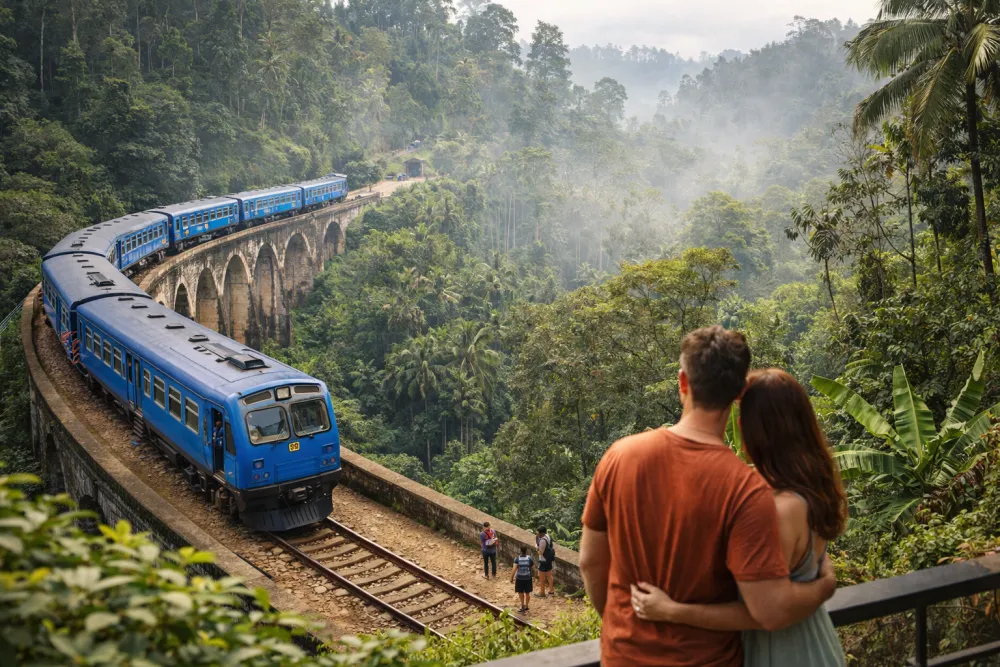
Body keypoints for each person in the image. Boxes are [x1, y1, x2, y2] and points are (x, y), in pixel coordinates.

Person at [579, 325, 837, 667]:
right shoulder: (746, 491)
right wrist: (824, 586)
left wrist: (620, 623)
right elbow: (768, 609)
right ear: (738, 392)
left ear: (683, 382)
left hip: (622, 655)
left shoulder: (620, 455)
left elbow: (590, 562)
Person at [630, 368, 848, 666]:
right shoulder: (811, 486)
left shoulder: (776, 509)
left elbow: (766, 613)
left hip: (777, 652)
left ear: (750, 429)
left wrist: (672, 610)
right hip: (816, 641)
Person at [511, 545, 535, 613]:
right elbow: (534, 568)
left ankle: (522, 605)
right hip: (528, 578)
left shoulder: (517, 559)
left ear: (520, 550)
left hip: (520, 578)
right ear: (526, 551)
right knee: (527, 593)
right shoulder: (529, 558)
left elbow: (514, 569)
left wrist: (511, 578)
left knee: (520, 592)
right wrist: (532, 576)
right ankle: (527, 606)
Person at [536, 526, 555, 597]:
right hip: (548, 559)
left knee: (541, 577)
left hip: (543, 560)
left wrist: (536, 548)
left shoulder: (542, 540)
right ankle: (551, 591)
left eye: (538, 532)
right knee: (549, 575)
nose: (537, 534)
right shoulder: (548, 536)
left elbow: (540, 552)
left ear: (542, 533)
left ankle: (542, 592)